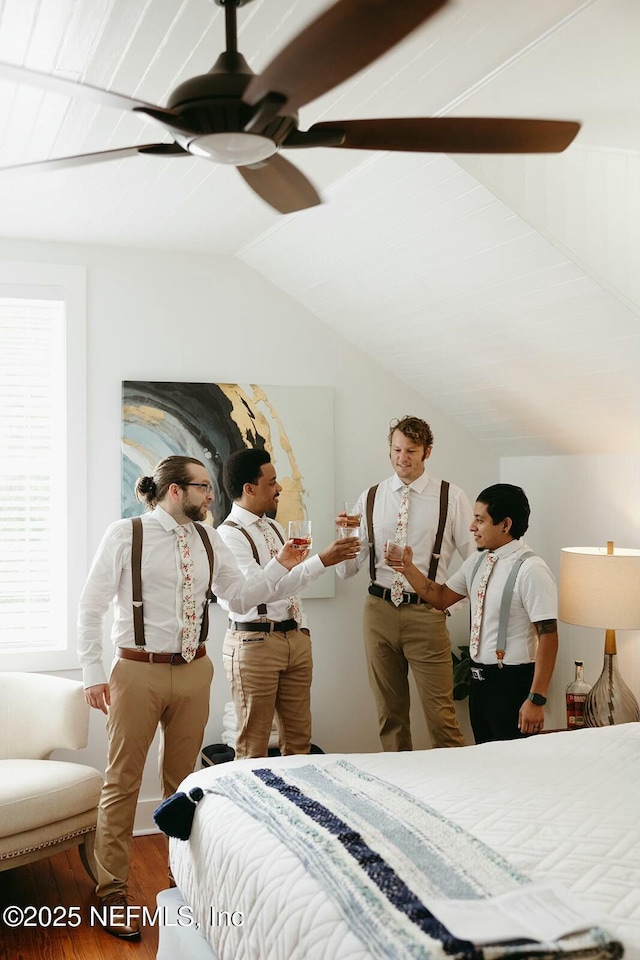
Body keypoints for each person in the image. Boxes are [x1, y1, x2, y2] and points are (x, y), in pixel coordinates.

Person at [77, 454, 313, 940]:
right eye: (203, 488)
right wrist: (92, 673)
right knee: (122, 780)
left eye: (210, 488)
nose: (212, 496)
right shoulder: (126, 534)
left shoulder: (208, 537)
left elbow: (241, 596)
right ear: (175, 491)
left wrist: (281, 564)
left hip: (194, 671)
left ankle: (178, 880)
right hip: (136, 671)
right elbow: (91, 605)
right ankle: (112, 891)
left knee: (183, 784)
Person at [336, 415, 475, 751]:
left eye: (411, 450)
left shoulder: (451, 498)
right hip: (378, 613)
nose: (402, 458)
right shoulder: (370, 498)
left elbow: (476, 560)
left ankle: (457, 795)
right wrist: (345, 536)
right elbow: (346, 571)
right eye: (396, 449)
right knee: (390, 715)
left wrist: (448, 603)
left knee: (441, 717)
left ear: (427, 451)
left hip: (425, 614)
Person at [217, 448, 360, 759]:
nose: (279, 488)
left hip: (294, 638)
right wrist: (322, 559)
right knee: (252, 745)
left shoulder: (274, 527)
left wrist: (322, 563)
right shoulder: (228, 537)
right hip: (254, 642)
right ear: (249, 489)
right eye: (272, 482)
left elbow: (288, 585)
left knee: (299, 742)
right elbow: (253, 593)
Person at [388, 483, 558, 744]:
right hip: (480, 682)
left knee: (515, 768)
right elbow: (442, 597)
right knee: (486, 765)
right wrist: (408, 568)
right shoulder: (477, 560)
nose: (471, 527)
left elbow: (548, 637)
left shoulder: (531, 569)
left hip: (512, 684)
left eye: (480, 520)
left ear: (505, 524)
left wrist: (536, 699)